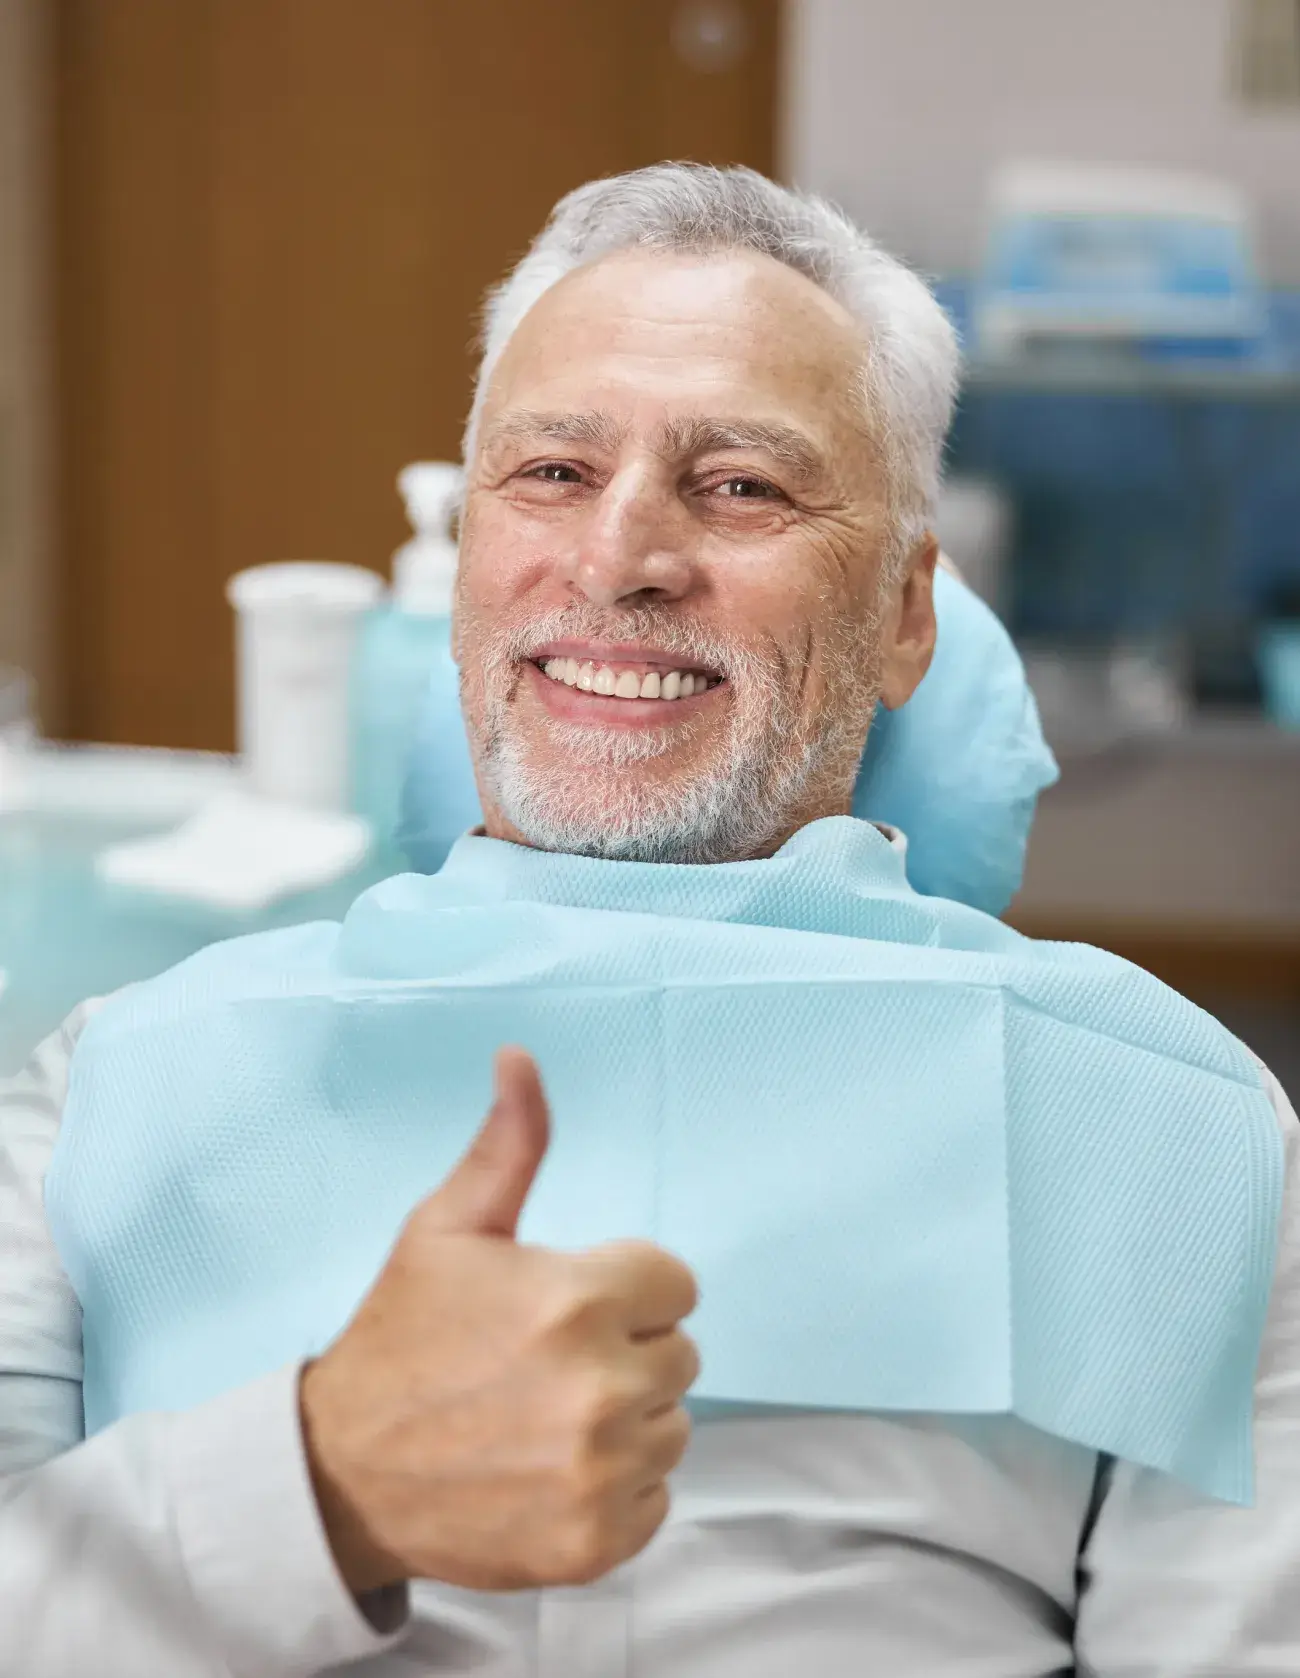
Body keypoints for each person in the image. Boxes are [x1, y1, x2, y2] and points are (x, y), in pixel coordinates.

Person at [2, 164, 1298, 1678]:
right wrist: (315, 1485)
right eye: (551, 473)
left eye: (741, 483)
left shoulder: (1166, 1128)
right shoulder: (116, 1086)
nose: (618, 560)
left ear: (901, 615)